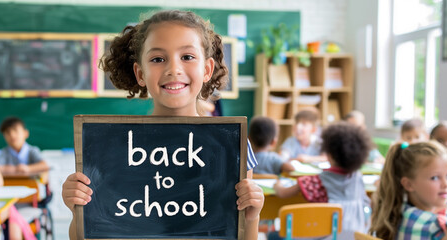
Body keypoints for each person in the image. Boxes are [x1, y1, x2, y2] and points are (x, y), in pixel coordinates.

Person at [61, 10, 262, 239]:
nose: (173, 69)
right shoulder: (110, 147)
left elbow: (241, 232)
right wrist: (78, 211)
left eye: (187, 57)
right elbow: (88, 232)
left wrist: (252, 216)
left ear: (207, 69)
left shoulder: (232, 144)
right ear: (140, 74)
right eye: (158, 59)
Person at [274, 123, 371, 233]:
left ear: (329, 155)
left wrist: (277, 185)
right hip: (355, 236)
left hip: (323, 236)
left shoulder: (316, 181)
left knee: (274, 235)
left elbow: (283, 193)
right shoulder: (358, 178)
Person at [370, 141, 447, 240]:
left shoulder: (394, 215)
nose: (446, 184)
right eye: (435, 178)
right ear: (408, 184)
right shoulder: (442, 228)